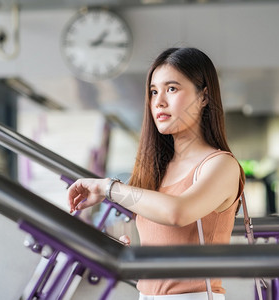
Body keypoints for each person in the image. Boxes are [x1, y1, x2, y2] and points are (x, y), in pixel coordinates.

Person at [68, 47, 246, 300]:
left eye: (172, 89)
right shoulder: (158, 169)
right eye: (154, 92)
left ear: (204, 96)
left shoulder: (220, 165)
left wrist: (108, 188)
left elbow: (177, 212)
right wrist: (125, 251)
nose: (159, 101)